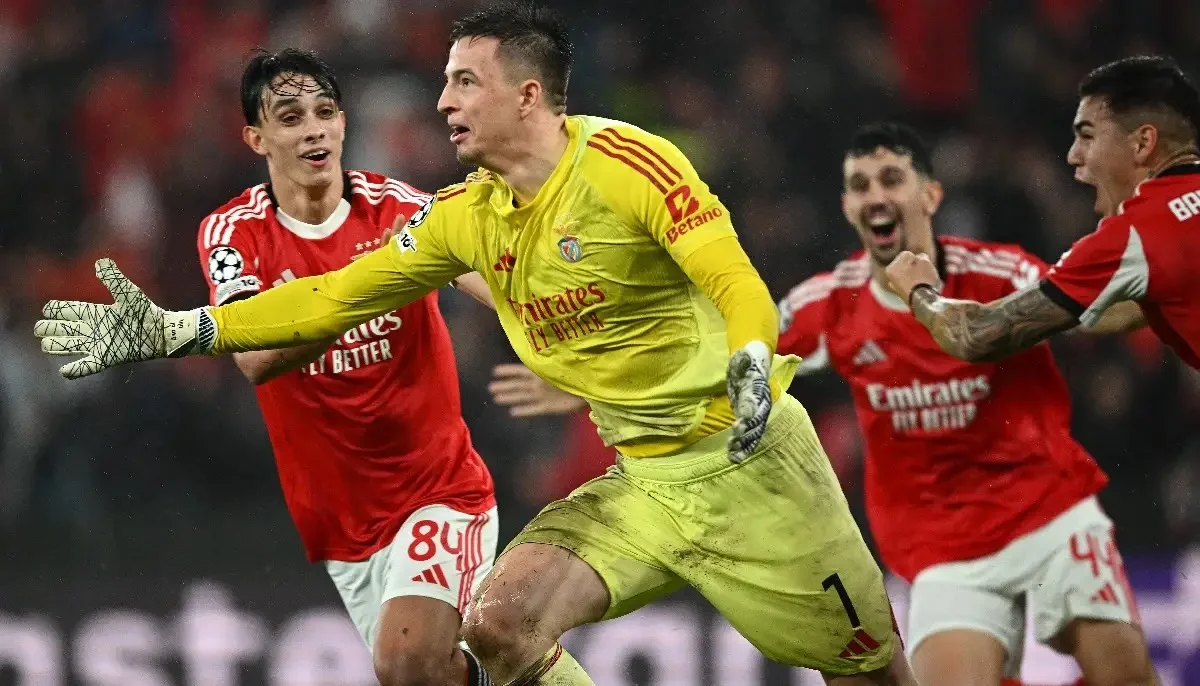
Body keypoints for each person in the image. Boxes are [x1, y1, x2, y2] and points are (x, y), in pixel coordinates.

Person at [34, 4, 916, 685]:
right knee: (498, 625)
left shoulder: (624, 165)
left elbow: (733, 279)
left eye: (464, 82)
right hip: (642, 481)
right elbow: (328, 299)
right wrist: (183, 330)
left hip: (752, 467)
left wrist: (754, 355)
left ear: (526, 96)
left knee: (868, 671)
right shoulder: (462, 217)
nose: (443, 99)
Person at [487, 122, 1160, 686]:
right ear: (847, 208)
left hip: (1046, 513)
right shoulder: (828, 303)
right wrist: (582, 379)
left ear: (930, 193)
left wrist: (1168, 297)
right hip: (944, 547)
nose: (876, 195)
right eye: (860, 185)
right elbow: (721, 357)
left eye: (891, 180)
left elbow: (1099, 312)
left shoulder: (1000, 272)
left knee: (1122, 673)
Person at [196, 49, 498, 686]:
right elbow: (254, 356)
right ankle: (526, 666)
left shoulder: (400, 210)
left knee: (405, 661)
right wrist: (376, 281)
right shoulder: (233, 233)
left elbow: (496, 287)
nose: (313, 129)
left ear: (342, 124)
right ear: (256, 137)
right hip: (343, 527)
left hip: (438, 493)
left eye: (325, 112)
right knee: (424, 676)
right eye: (290, 116)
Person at [883, 55, 1200, 370]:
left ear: (1143, 143)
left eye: (1088, 136)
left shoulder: (1134, 236)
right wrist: (1049, 300)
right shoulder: (1163, 243)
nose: (1073, 155)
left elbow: (976, 336)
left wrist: (918, 292)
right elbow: (1125, 308)